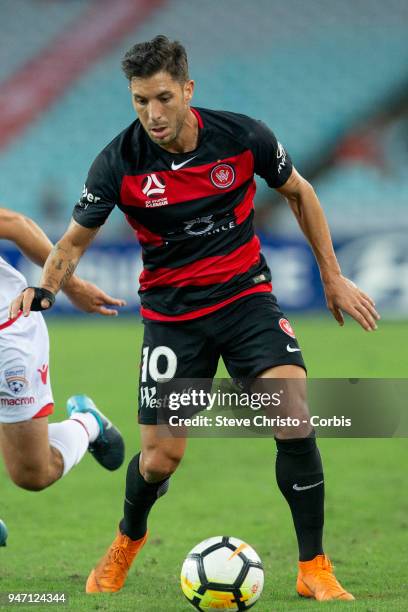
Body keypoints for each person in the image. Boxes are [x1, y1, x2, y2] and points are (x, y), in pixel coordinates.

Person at [9, 36, 380, 601]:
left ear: (187, 89)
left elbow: (300, 193)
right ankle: (128, 540)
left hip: (245, 299)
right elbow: (71, 243)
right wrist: (47, 290)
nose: (152, 114)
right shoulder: (119, 161)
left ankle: (314, 567)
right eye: (139, 101)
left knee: (293, 415)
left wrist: (331, 275)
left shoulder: (242, 136)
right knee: (161, 458)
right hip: (172, 318)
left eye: (162, 98)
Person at [1, 207, 126, 493]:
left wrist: (72, 286)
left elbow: (16, 225)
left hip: (7, 339)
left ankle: (86, 423)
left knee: (33, 473)